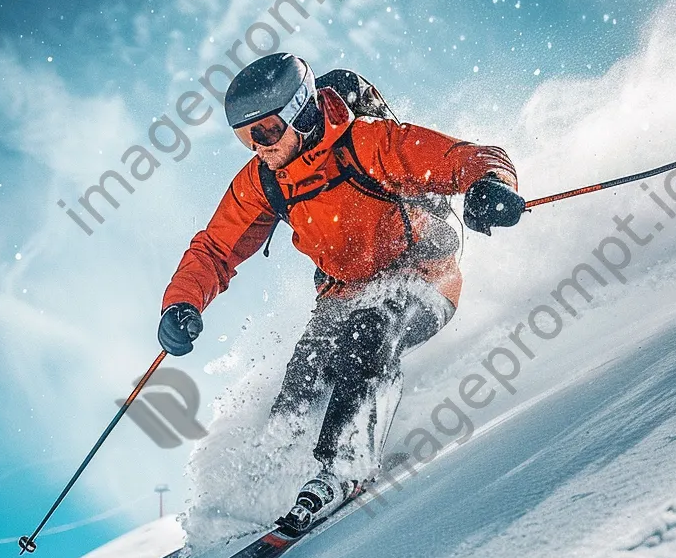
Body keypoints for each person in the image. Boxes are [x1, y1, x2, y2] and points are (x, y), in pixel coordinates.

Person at [158, 53, 524, 532]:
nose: (258, 147)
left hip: (422, 277)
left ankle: (343, 466)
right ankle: (262, 489)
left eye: (266, 131)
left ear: (298, 113)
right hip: (342, 293)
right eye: (246, 138)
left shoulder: (367, 142)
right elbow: (215, 248)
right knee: (303, 376)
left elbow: (464, 158)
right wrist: (181, 302)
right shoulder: (266, 180)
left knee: (368, 332)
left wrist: (488, 185)